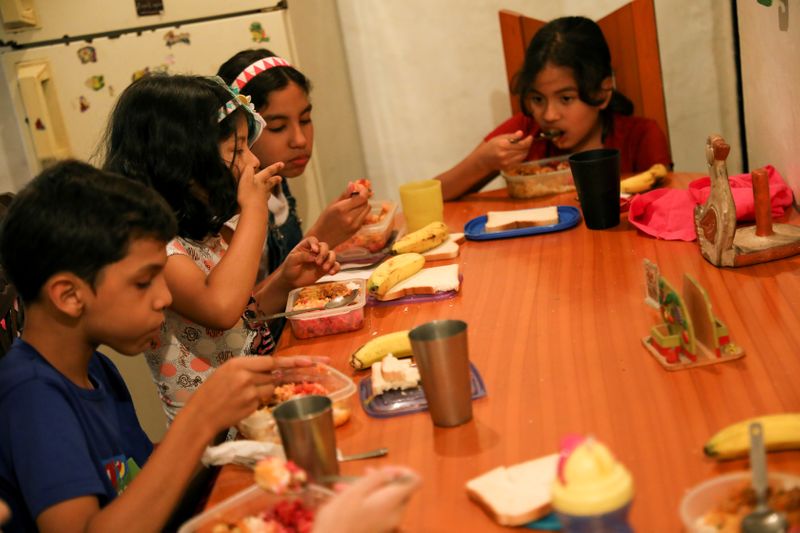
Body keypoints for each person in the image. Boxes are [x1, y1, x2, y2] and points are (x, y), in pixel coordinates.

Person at [0, 161, 419, 533]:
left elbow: (140, 485)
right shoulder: (32, 395)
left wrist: (228, 431)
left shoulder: (93, 369)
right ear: (69, 296)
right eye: (144, 282)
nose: (164, 298)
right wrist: (200, 418)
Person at [102, 74, 339, 424]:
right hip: (215, 436)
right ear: (185, 158)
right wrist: (255, 208)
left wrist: (285, 281)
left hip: (257, 404)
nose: (253, 161)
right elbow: (220, 308)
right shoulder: (155, 249)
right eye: (237, 149)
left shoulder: (206, 229)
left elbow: (241, 318)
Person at [435, 16, 672, 200]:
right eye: (538, 100)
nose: (548, 115)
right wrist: (483, 162)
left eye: (566, 99)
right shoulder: (525, 132)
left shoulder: (641, 136)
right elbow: (438, 195)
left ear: (601, 93)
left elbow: (667, 207)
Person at [216, 49, 373, 268]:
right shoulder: (230, 212)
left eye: (305, 119)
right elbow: (245, 302)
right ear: (241, 129)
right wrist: (322, 235)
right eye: (278, 127)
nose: (299, 140)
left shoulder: (278, 180)